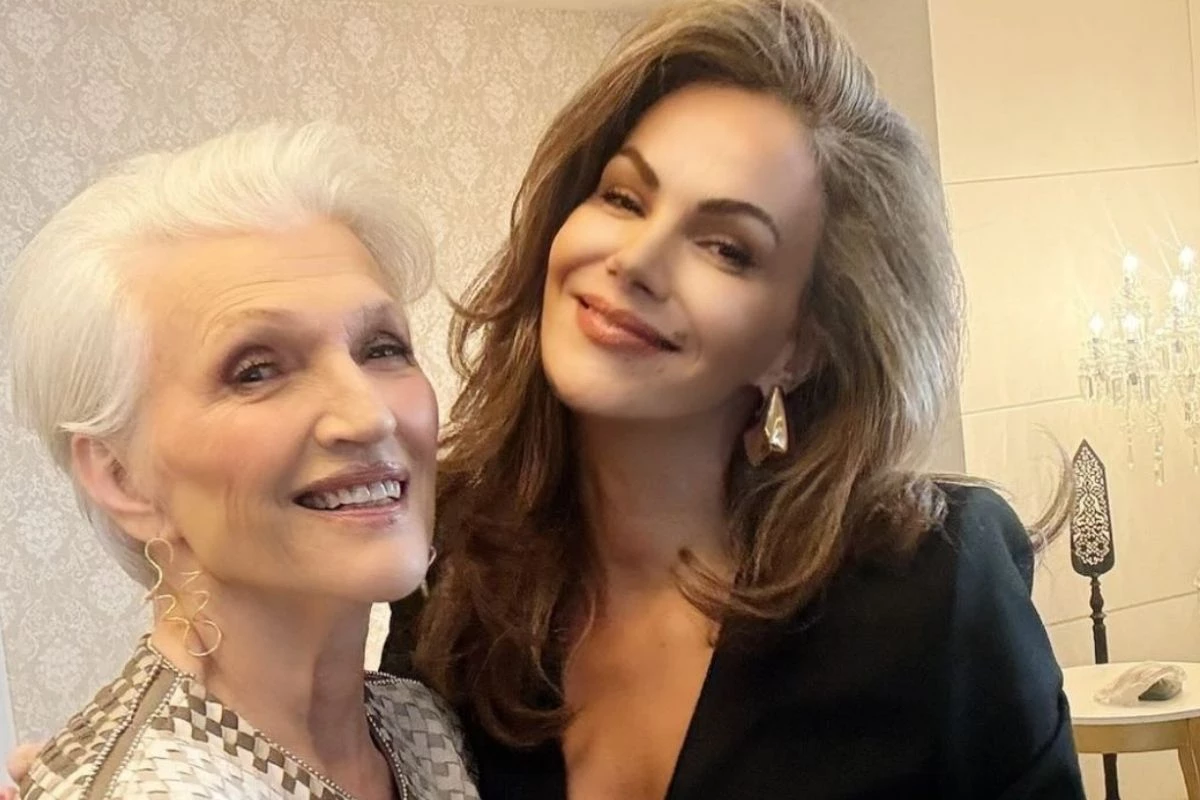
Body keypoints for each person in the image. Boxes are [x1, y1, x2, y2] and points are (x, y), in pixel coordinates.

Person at [387, 0, 1085, 798]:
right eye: (623, 198)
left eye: (726, 248)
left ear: (799, 344)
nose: (636, 260)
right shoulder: (450, 566)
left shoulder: (935, 590)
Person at [2, 123, 478, 799]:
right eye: (256, 371)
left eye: (381, 348)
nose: (369, 415)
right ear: (122, 477)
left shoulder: (419, 725)